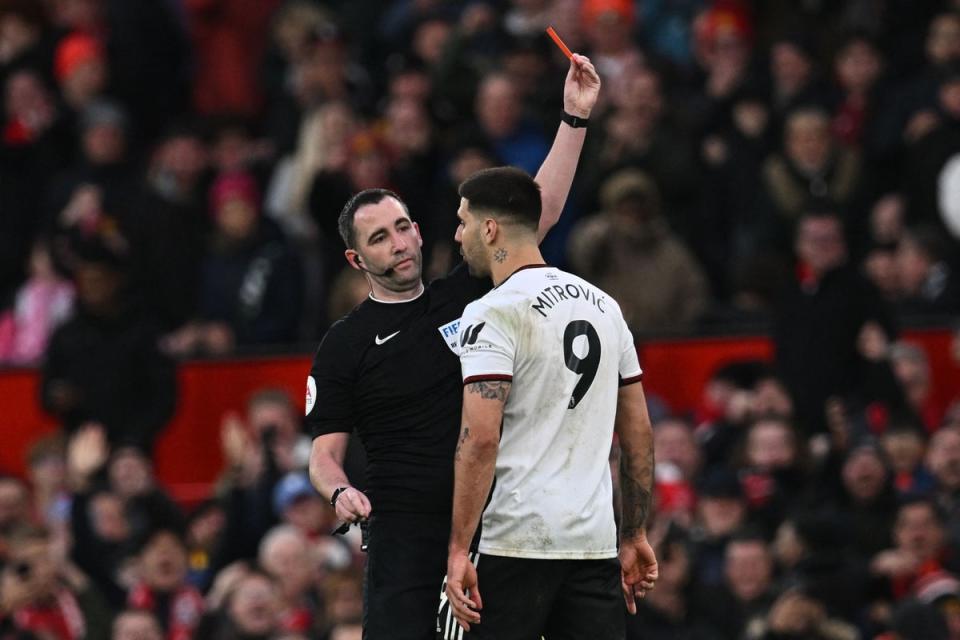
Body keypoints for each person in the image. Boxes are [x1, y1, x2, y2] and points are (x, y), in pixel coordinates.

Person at [306, 54, 601, 640]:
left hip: (491, 523)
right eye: (380, 238)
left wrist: (573, 118)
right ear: (356, 259)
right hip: (403, 536)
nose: (400, 243)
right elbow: (323, 452)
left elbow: (535, 213)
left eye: (404, 226)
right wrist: (339, 491)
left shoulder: (466, 295)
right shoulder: (344, 343)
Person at [442, 166, 658, 638]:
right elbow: (638, 431)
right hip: (592, 543)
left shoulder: (491, 312)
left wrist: (459, 549)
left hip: (514, 542)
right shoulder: (604, 305)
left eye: (463, 222)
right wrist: (634, 533)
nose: (458, 235)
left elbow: (479, 437)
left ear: (489, 228)